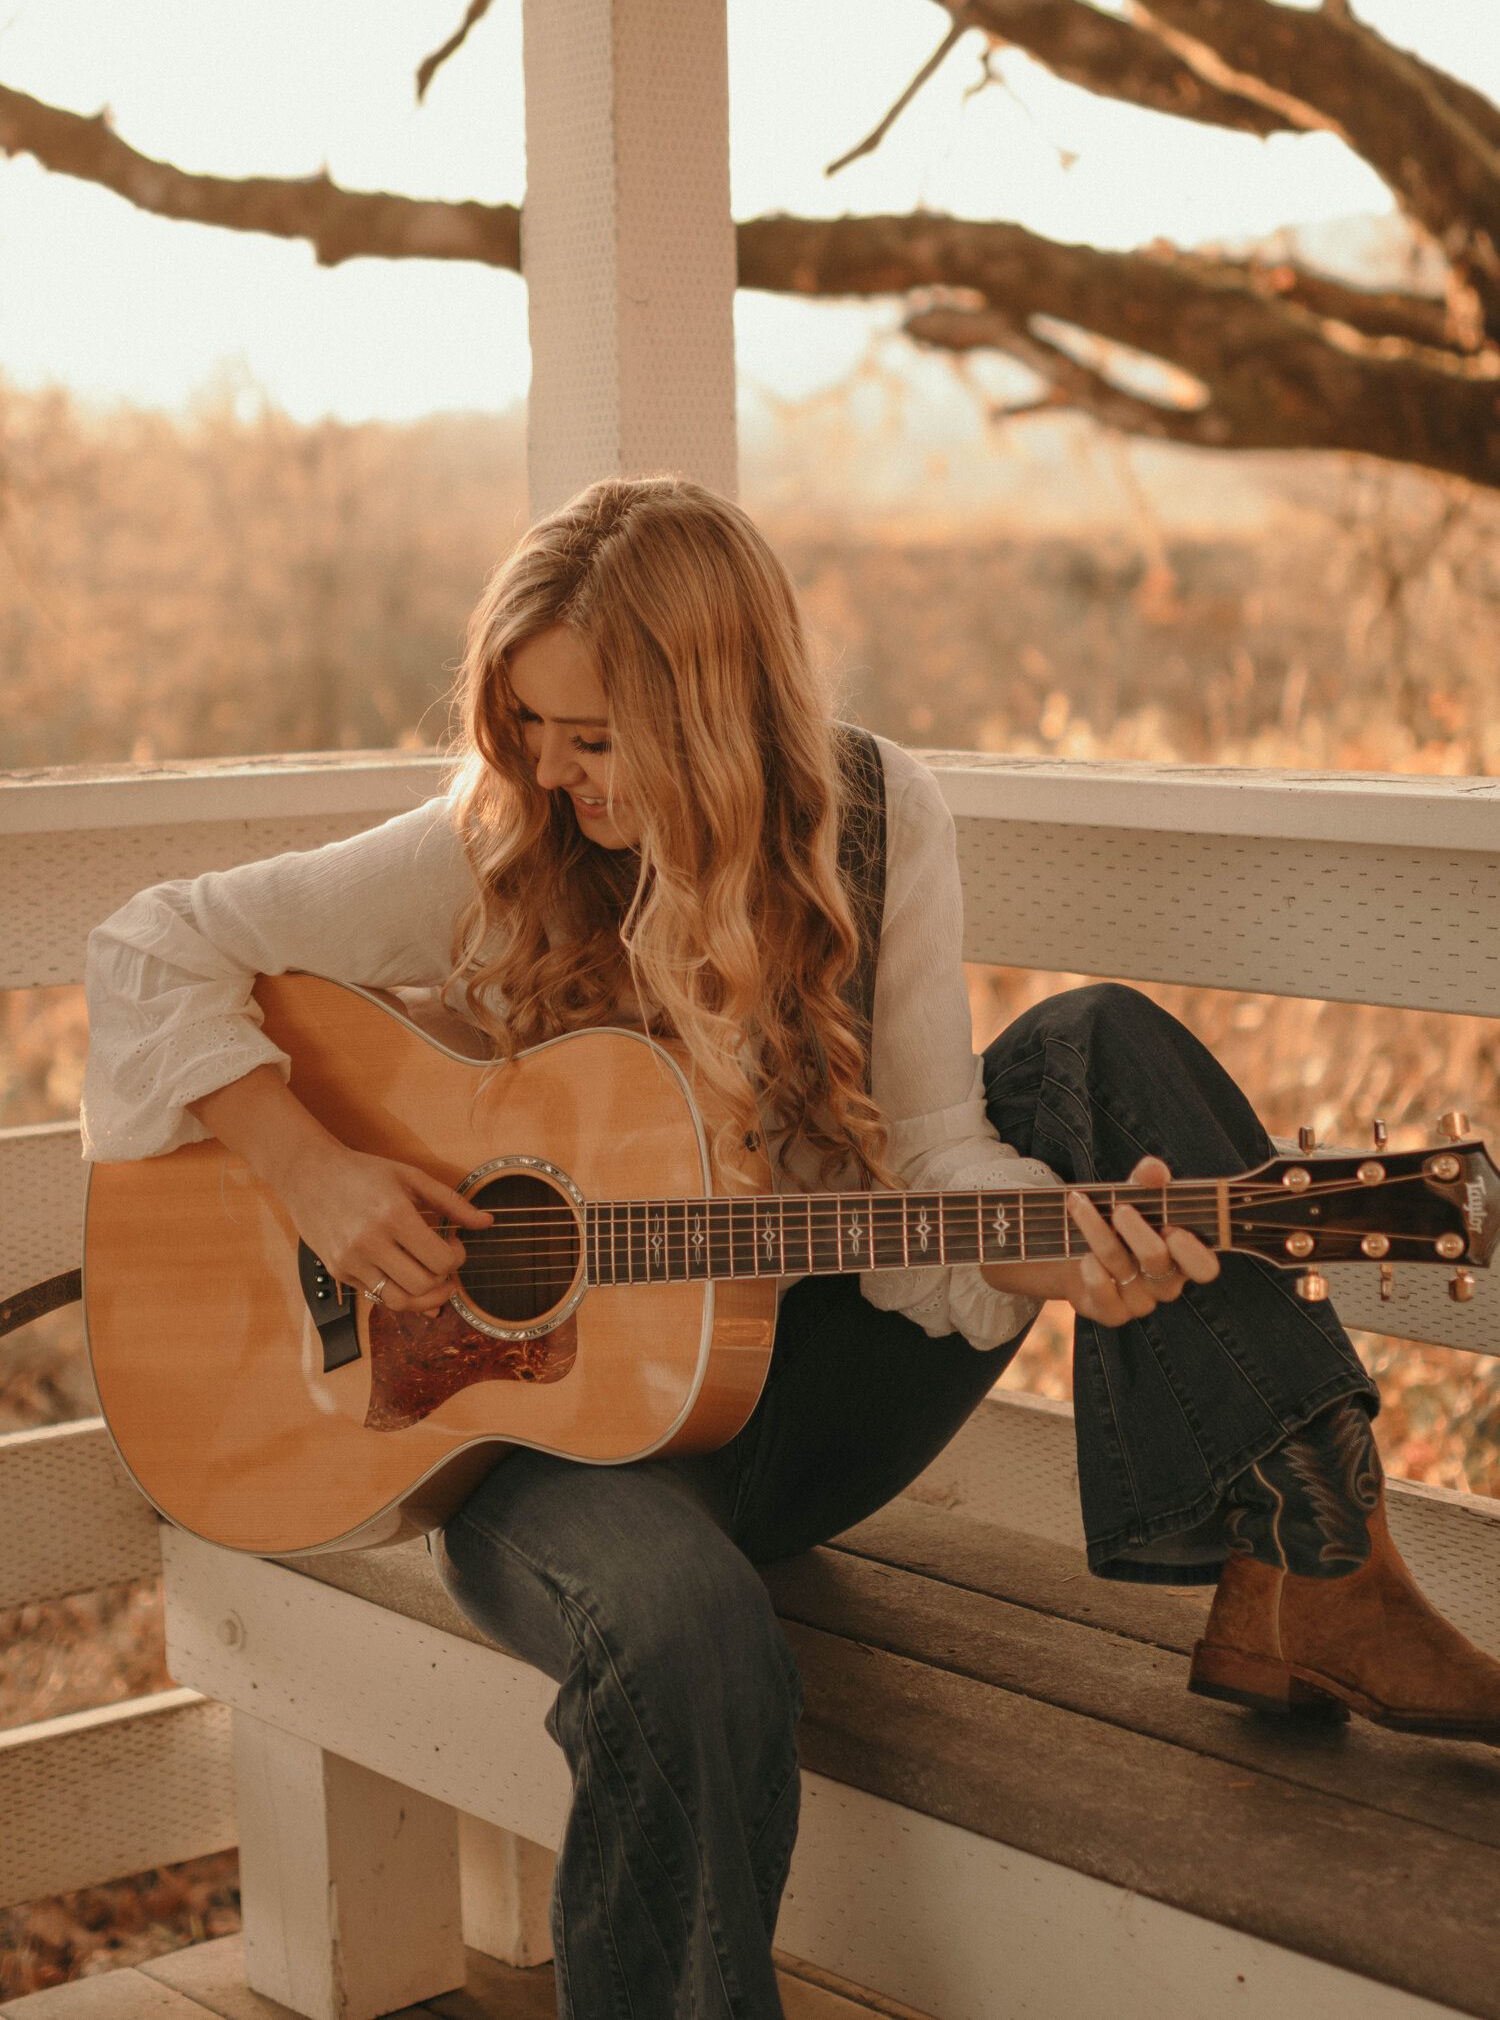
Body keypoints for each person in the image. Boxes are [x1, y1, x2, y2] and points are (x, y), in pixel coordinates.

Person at [82, 475, 1500, 2020]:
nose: (550, 774)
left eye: (592, 736)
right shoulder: (500, 844)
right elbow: (149, 947)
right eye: (530, 727)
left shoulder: (875, 820)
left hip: (785, 1393)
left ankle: (1319, 1560)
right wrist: (317, 1172)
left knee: (1093, 1042)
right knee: (685, 1631)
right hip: (535, 1450)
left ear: (707, 709)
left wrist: (1066, 1265)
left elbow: (937, 1167)